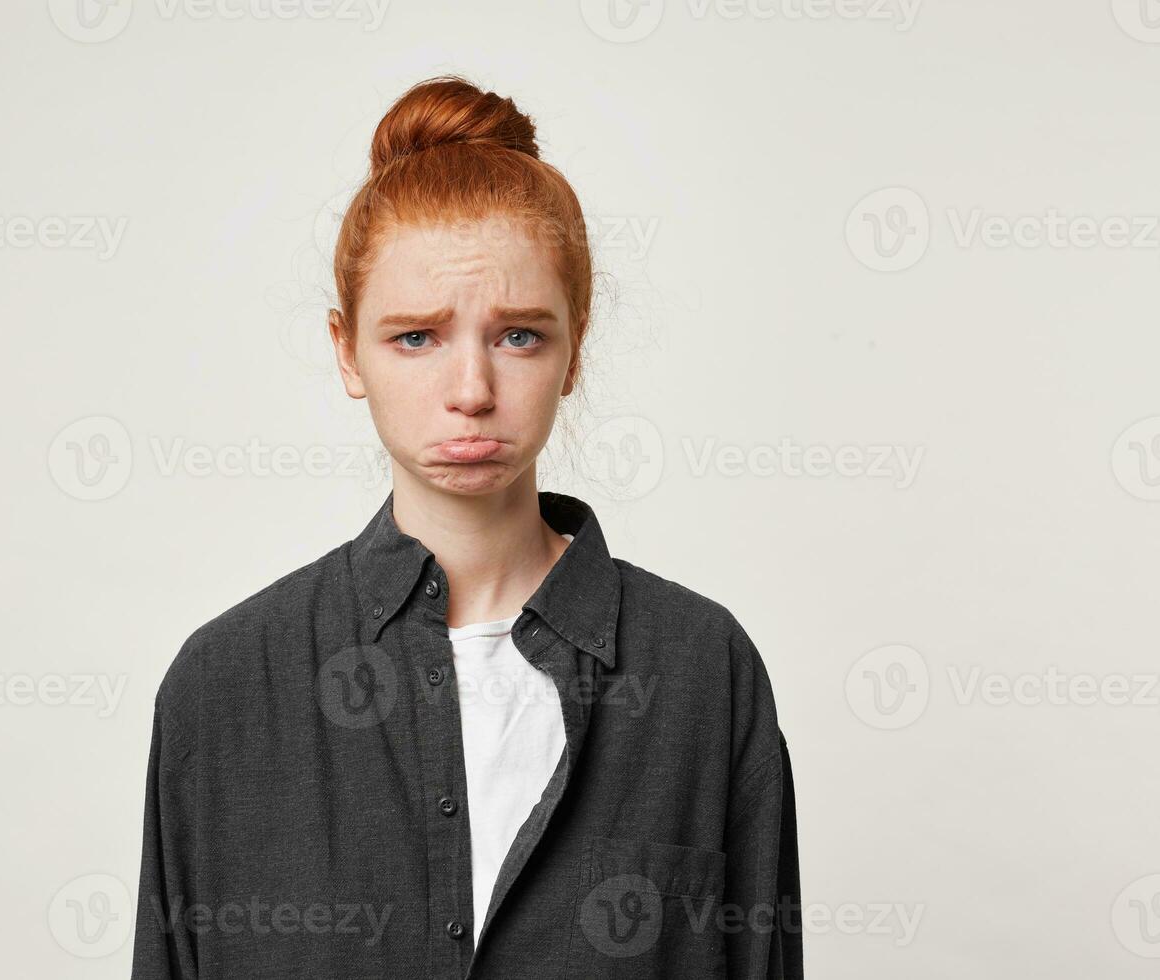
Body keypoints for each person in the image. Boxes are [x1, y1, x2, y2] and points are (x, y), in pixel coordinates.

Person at [131, 74, 802, 979]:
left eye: (519, 334)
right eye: (416, 337)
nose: (472, 391)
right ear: (346, 352)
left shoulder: (701, 671)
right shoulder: (223, 688)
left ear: (575, 348)